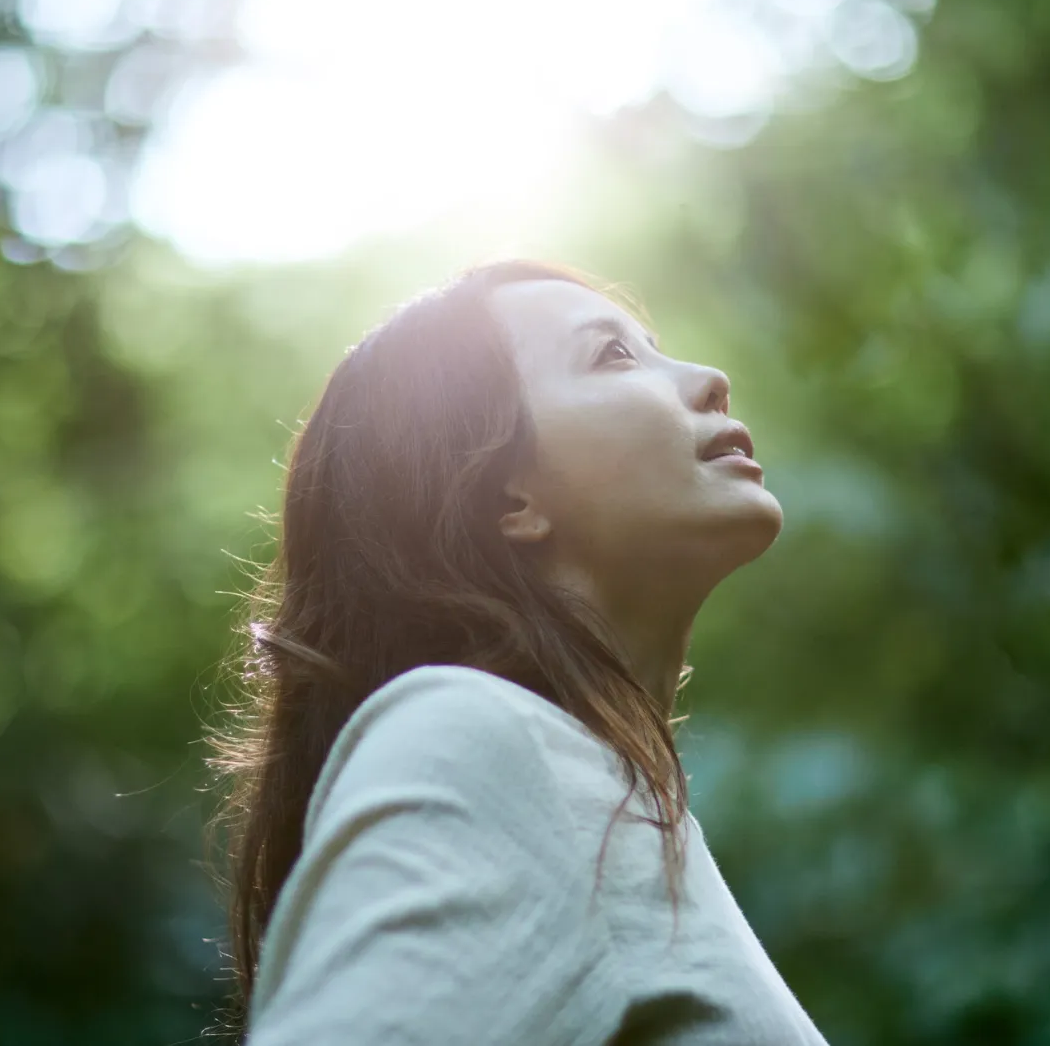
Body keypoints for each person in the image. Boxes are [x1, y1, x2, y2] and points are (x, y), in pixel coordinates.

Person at [202, 261, 829, 1044]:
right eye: (615, 356)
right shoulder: (479, 741)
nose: (710, 379)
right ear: (510, 498)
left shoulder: (612, 804)